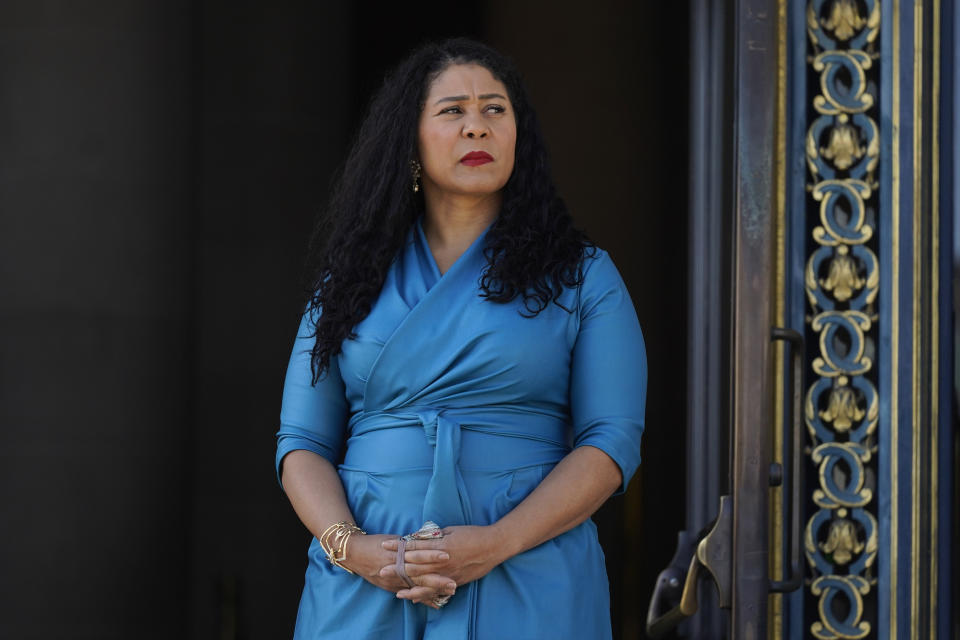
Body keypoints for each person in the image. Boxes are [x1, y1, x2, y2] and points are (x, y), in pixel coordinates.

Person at [275, 37, 647, 640]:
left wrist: (497, 544)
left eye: (495, 110)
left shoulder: (583, 275)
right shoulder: (346, 282)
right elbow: (301, 443)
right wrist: (355, 550)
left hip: (530, 568)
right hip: (365, 581)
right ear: (411, 142)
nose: (478, 127)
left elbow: (611, 443)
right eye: (453, 111)